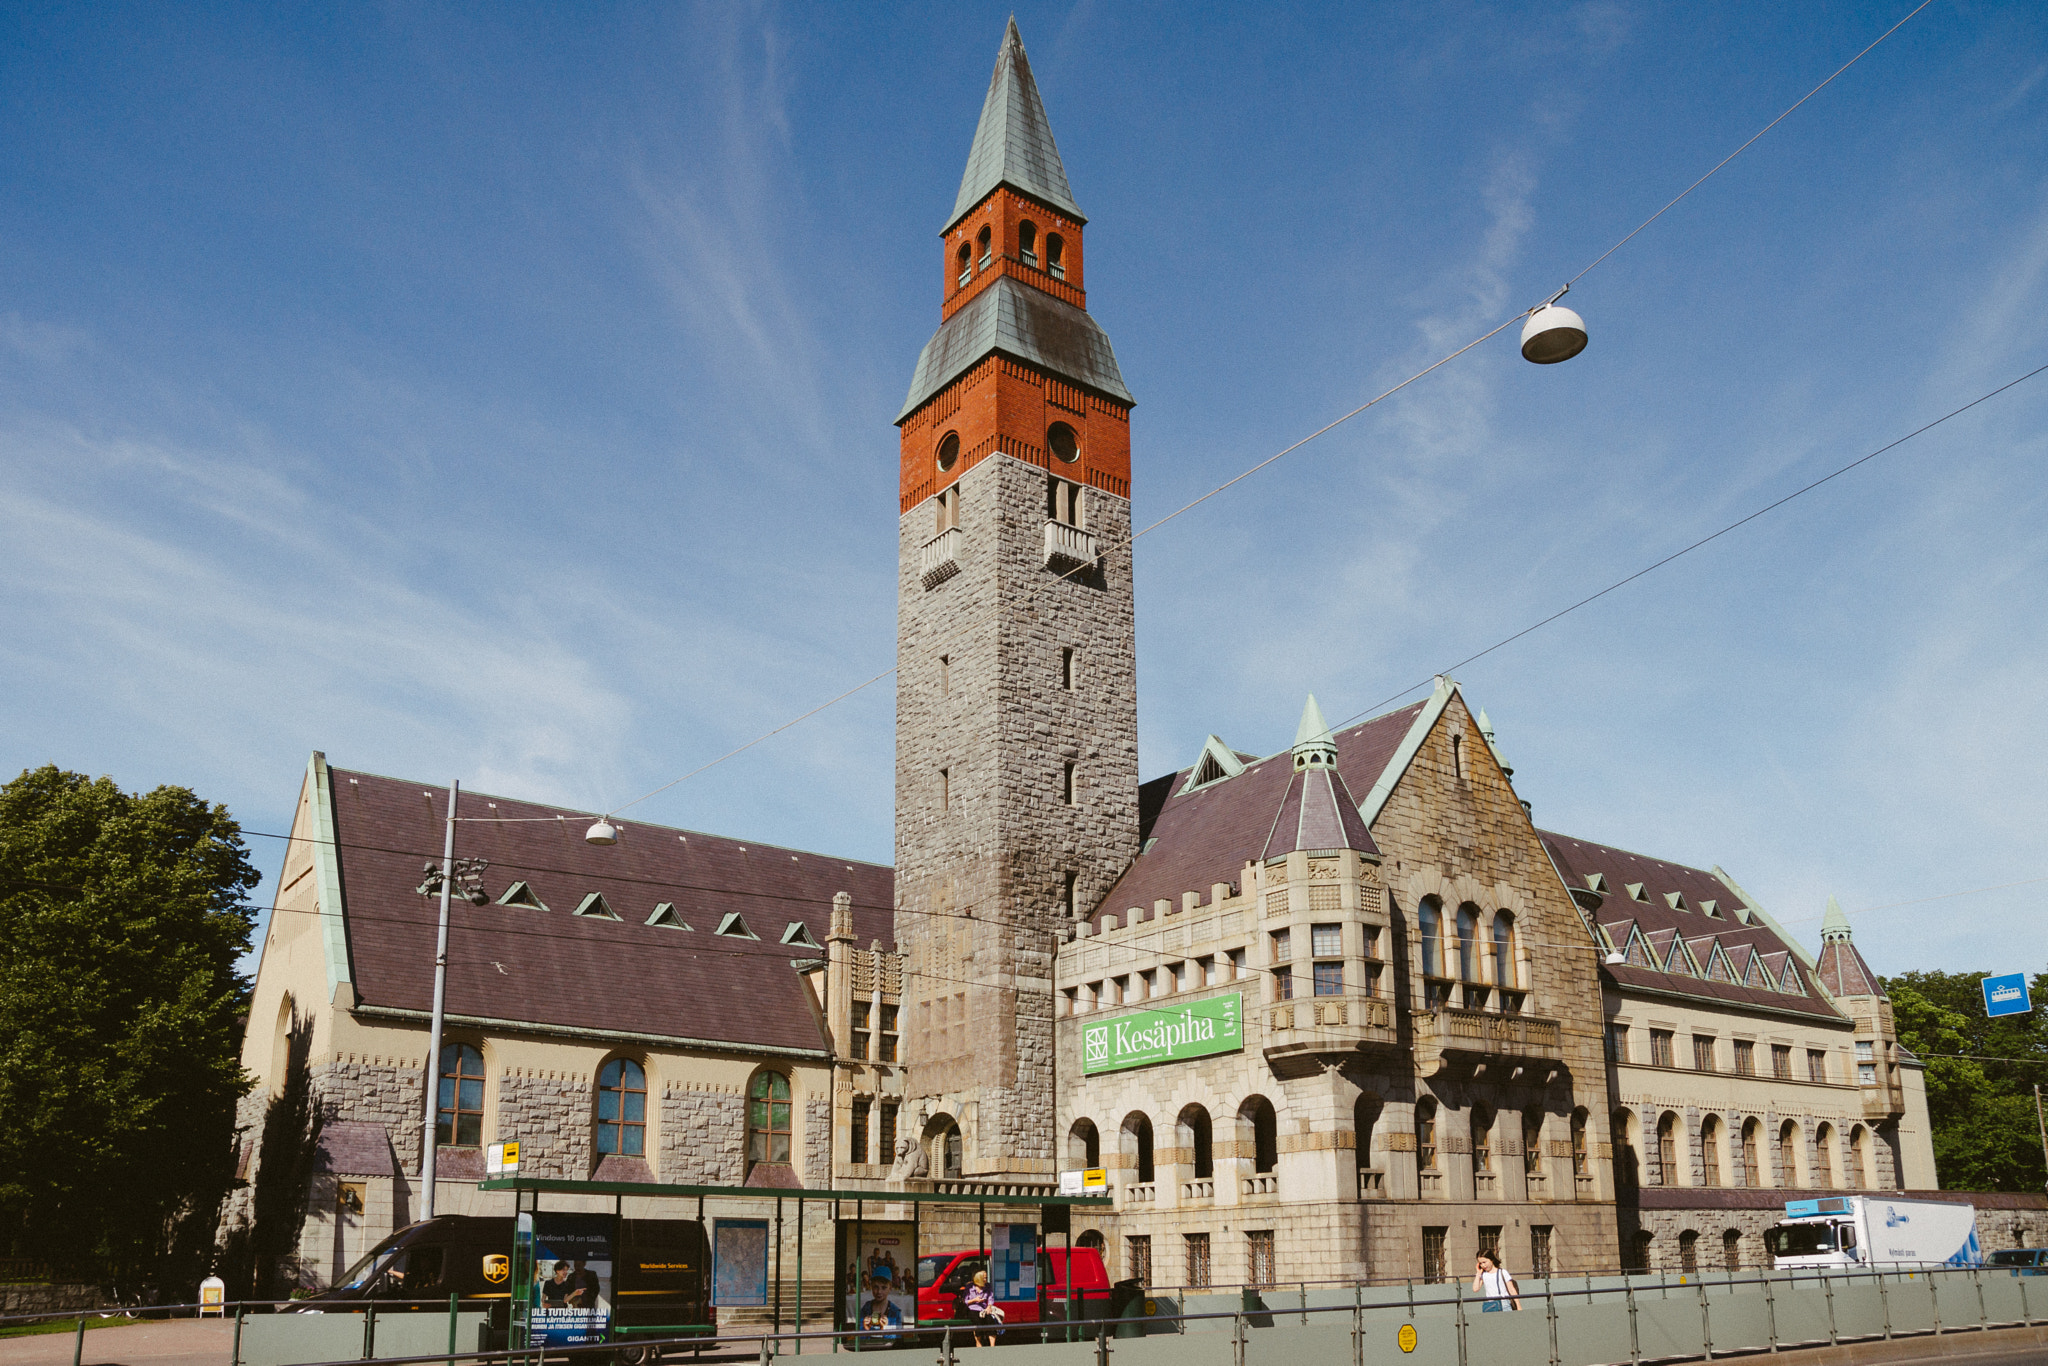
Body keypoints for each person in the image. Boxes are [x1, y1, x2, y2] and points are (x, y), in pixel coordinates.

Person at [857, 1269, 903, 1345]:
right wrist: (865, 1329)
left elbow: (897, 1340)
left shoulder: (895, 1312)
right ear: (871, 1287)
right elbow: (858, 1339)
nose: (879, 1292)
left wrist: (885, 1329)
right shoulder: (866, 1308)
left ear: (890, 1287)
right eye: (876, 1287)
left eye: (884, 1287)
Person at [961, 1269, 1004, 1346]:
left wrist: (989, 1307)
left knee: (990, 1320)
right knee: (978, 1322)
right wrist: (975, 1300)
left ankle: (992, 1346)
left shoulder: (987, 1286)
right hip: (972, 1309)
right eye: (984, 1278)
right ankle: (978, 1343)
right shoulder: (969, 1287)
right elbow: (965, 1301)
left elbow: (991, 1298)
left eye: (986, 1278)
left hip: (983, 1308)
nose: (985, 1279)